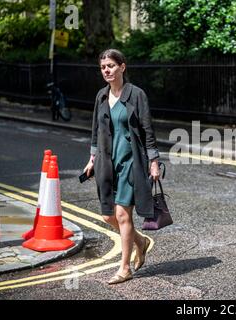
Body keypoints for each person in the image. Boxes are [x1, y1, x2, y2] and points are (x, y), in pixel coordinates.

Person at [83, 49, 160, 285]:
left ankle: (124, 267)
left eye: (111, 66)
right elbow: (96, 131)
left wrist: (153, 161)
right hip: (107, 162)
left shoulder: (136, 95)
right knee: (108, 217)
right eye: (103, 67)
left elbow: (147, 130)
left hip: (130, 162)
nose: (106, 70)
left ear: (122, 67)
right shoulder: (101, 96)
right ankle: (140, 241)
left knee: (122, 215)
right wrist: (92, 158)